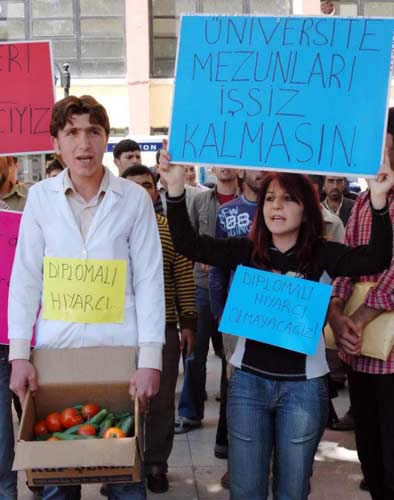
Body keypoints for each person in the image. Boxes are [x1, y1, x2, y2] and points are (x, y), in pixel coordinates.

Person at [159, 148, 394, 500]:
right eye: (269, 198)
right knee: (246, 489)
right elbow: (189, 245)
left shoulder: (324, 253)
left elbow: (376, 256)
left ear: (306, 208)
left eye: (287, 199)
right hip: (248, 387)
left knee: (292, 490)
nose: (276, 206)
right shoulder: (244, 250)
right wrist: (175, 191)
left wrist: (377, 201)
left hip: (303, 391)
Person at [8, 95, 165, 500]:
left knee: (126, 479)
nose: (84, 144)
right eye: (72, 132)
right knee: (56, 480)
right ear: (56, 143)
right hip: (56, 356)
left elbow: (149, 281)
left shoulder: (133, 200)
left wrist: (150, 360)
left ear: (106, 139)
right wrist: (20, 355)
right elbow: (25, 279)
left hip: (119, 356)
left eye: (93, 132)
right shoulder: (40, 199)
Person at [328, 108, 394, 500]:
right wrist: (337, 315)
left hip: (388, 351)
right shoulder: (366, 203)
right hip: (358, 348)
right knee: (368, 443)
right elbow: (346, 261)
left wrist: (358, 316)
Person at [122, 164, 197, 494]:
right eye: (132, 185)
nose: (140, 191)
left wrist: (189, 322)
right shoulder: (109, 229)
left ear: (156, 190)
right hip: (120, 332)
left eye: (146, 185)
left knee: (162, 402)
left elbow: (183, 276)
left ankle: (156, 463)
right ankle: (122, 462)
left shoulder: (169, 230)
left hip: (164, 328)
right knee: (122, 400)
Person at [209, 168, 264, 487]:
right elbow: (218, 267)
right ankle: (238, 463)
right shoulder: (228, 213)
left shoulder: (291, 207)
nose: (262, 171)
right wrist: (220, 314)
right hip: (237, 317)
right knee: (238, 393)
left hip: (279, 314)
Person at [175, 167, 239, 435]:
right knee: (195, 354)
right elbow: (187, 241)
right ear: (211, 168)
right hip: (202, 287)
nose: (224, 167)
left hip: (237, 289)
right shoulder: (200, 200)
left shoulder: (249, 202)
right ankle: (190, 412)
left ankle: (233, 419)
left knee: (232, 356)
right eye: (218, 162)